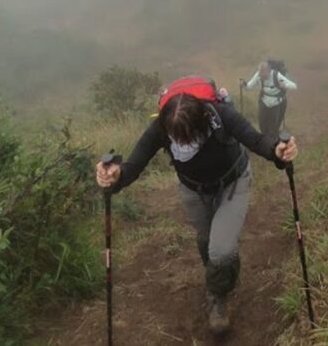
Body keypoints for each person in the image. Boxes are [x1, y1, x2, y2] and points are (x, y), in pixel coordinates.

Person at [94, 77, 298, 336]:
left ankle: (217, 296)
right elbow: (133, 166)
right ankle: (223, 274)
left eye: (189, 136)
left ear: (204, 120)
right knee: (206, 242)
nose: (183, 143)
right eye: (176, 137)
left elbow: (256, 140)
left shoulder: (221, 115)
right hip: (193, 190)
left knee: (220, 252)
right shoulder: (161, 127)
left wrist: (278, 151)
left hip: (232, 183)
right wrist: (114, 177)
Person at [244, 61, 297, 143]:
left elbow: (294, 86)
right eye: (260, 75)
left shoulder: (277, 75)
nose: (261, 77)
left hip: (276, 104)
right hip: (264, 102)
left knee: (273, 127)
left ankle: (272, 144)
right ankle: (266, 142)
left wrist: (284, 85)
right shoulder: (258, 75)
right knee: (262, 125)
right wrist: (243, 84)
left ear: (269, 71)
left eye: (264, 75)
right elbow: (249, 87)